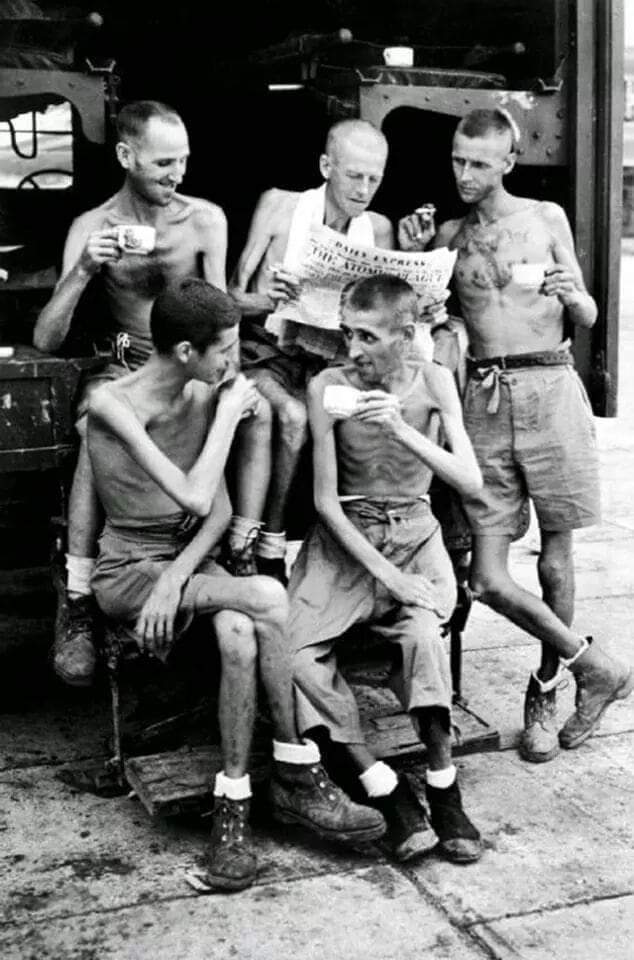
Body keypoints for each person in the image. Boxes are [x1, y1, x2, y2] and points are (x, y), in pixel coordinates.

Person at [86, 277, 385, 892]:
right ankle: (298, 769)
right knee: (269, 596)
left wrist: (176, 579)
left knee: (241, 632)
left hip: (186, 563)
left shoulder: (201, 393)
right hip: (127, 569)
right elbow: (191, 493)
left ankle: (235, 804)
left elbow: (217, 513)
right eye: (225, 348)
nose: (236, 360)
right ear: (187, 351)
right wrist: (228, 413)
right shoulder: (115, 405)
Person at [400, 107, 633, 763]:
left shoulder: (546, 218)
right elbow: (427, 315)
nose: (466, 173)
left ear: (509, 160)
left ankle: (548, 686)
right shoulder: (448, 234)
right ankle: (596, 665)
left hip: (551, 385)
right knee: (486, 575)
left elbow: (586, 312)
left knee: (557, 560)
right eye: (458, 160)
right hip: (485, 394)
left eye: (480, 162)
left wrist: (572, 292)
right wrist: (417, 249)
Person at [33, 100, 270, 686]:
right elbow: (46, 339)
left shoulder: (205, 218)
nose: (177, 175)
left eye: (184, 162)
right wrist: (85, 269)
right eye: (164, 163)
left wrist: (237, 370)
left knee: (266, 413)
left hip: (194, 362)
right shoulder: (92, 227)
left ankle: (244, 545)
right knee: (95, 421)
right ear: (126, 156)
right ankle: (81, 592)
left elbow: (219, 319)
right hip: (123, 366)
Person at [288, 274, 484, 864]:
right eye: (348, 333)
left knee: (424, 634)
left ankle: (444, 787)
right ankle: (382, 785)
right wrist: (388, 577)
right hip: (345, 537)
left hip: (414, 530)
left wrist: (400, 426)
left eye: (369, 337)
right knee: (292, 657)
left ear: (407, 335)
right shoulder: (328, 384)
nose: (354, 349)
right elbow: (325, 501)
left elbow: (469, 481)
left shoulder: (435, 381)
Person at [228, 119, 395, 582]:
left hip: (330, 363)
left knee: (378, 418)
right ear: (326, 166)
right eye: (354, 175)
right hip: (266, 356)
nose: (364, 189)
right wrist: (271, 300)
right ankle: (269, 544)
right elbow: (229, 299)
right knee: (296, 417)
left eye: (374, 179)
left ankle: (362, 548)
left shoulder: (376, 229)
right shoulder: (280, 208)